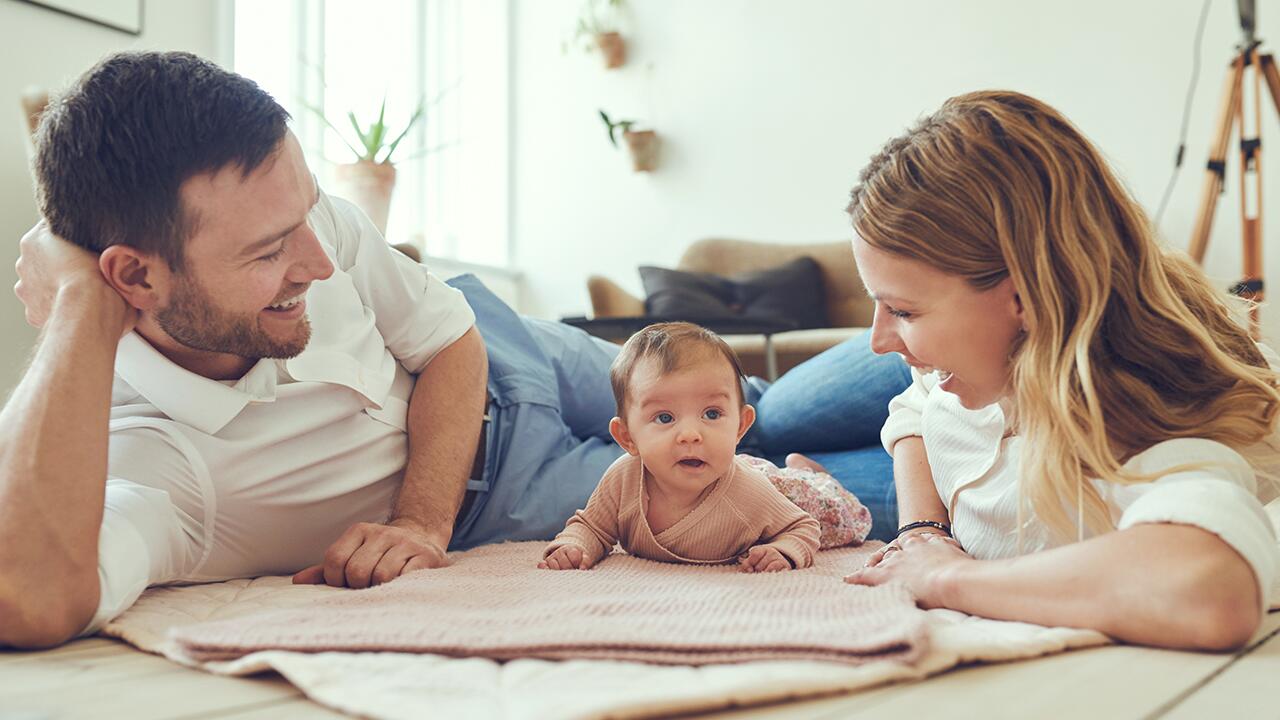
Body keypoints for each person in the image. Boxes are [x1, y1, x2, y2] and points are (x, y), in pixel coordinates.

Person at [0, 51, 908, 648]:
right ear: (133, 278)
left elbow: (448, 340)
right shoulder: (150, 462)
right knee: (826, 490)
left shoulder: (304, 224)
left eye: (306, 215)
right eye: (269, 252)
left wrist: (417, 525)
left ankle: (1021, 340)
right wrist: (78, 300)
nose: (319, 261)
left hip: (503, 350)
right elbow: (25, 595)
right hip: (503, 485)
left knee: (762, 406)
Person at [812, 90, 1280, 651]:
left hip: (995, 453)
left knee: (736, 462)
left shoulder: (1143, 425)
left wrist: (942, 576)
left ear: (1027, 296)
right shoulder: (958, 355)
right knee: (758, 416)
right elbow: (914, 405)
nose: (877, 340)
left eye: (904, 311)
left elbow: (1210, 589)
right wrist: (922, 533)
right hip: (949, 438)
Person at [540, 322, 822, 572]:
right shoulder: (623, 479)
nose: (690, 435)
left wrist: (782, 550)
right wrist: (574, 545)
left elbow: (803, 526)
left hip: (791, 494)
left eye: (711, 414)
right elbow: (593, 527)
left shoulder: (750, 493)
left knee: (829, 505)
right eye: (665, 418)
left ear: (740, 425)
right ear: (627, 437)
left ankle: (812, 475)